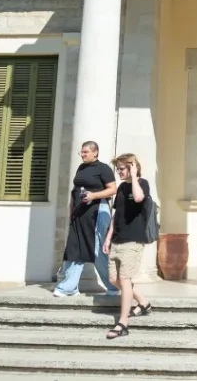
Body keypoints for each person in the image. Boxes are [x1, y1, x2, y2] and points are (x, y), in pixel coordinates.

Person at [54, 141, 120, 297]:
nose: (82, 155)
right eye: (81, 152)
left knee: (98, 249)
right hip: (79, 213)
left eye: (85, 152)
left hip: (97, 212)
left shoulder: (103, 169)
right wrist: (71, 209)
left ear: (95, 152)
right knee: (74, 247)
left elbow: (113, 190)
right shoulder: (81, 168)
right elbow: (75, 190)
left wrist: (94, 195)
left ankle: (113, 286)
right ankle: (69, 287)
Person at [102, 153, 154, 339]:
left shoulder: (142, 184)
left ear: (133, 167)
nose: (119, 172)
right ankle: (143, 303)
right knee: (113, 279)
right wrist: (108, 238)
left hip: (133, 240)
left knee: (124, 279)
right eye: (118, 169)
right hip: (117, 239)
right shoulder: (122, 187)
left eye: (122, 168)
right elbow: (116, 215)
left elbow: (139, 198)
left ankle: (123, 322)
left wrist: (134, 176)